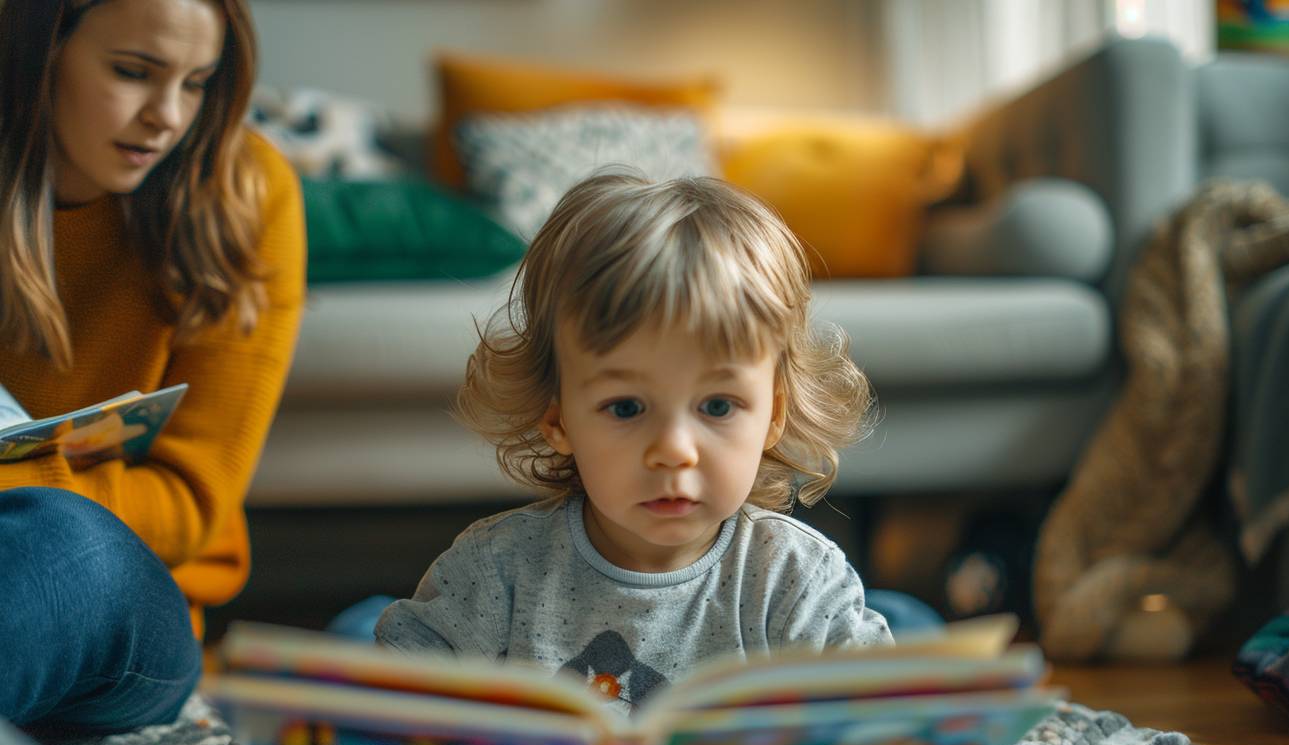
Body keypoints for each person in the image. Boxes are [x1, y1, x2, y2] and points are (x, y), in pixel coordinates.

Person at [376, 171, 938, 713]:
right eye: (626, 408)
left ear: (773, 416)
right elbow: (386, 710)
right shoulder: (495, 572)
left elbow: (877, 734)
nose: (674, 450)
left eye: (717, 406)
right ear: (560, 423)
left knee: (911, 634)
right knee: (365, 629)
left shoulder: (796, 578)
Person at [0, 0, 304, 732]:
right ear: (41, 53)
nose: (168, 116)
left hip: (125, 609)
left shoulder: (247, 192)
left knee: (60, 539)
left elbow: (189, 505)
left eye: (197, 83)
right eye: (134, 73)